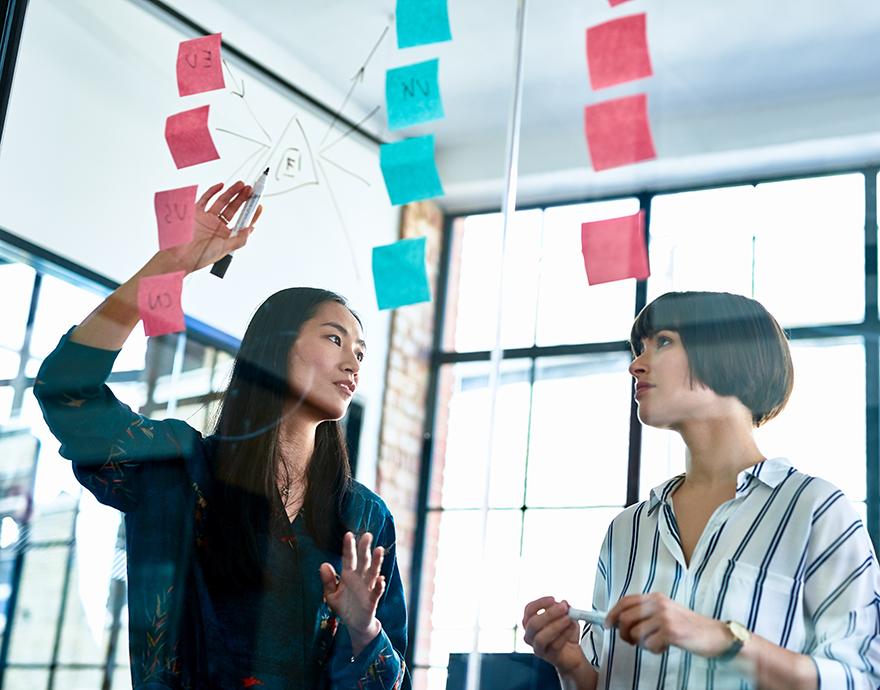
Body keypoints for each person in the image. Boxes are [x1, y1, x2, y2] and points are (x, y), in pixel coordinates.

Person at [34, 181, 409, 689]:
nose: (352, 362)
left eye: (361, 352)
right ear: (275, 348)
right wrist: (166, 266)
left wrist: (365, 629)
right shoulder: (181, 469)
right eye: (335, 338)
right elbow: (67, 390)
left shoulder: (364, 518)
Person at [522, 291, 880, 689]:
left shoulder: (816, 512)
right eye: (639, 348)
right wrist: (573, 667)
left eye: (662, 342)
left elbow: (858, 678)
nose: (635, 365)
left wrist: (722, 638)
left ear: (728, 351)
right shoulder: (627, 530)